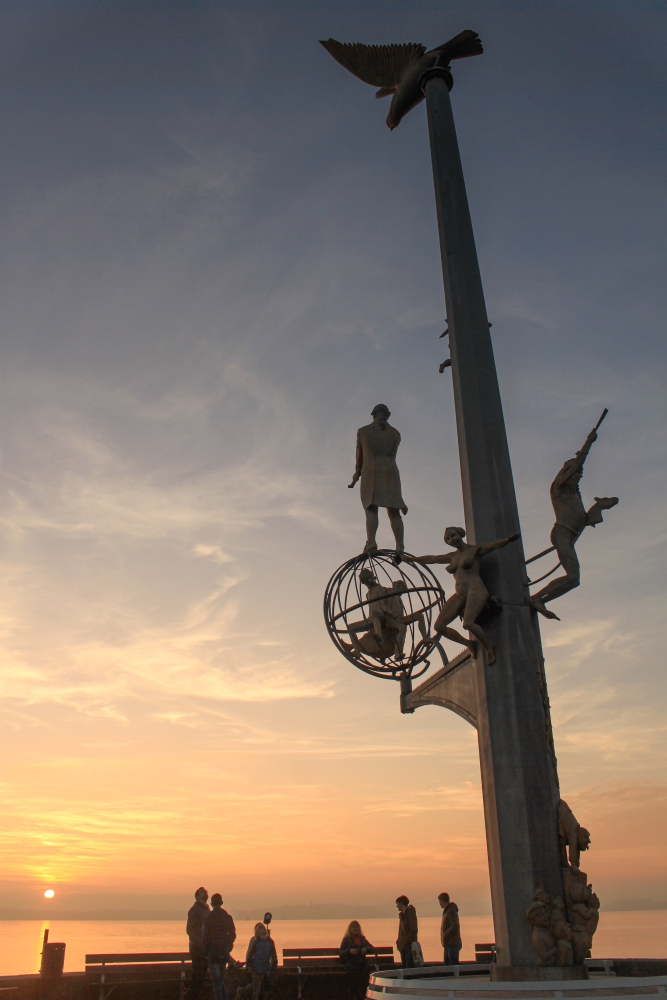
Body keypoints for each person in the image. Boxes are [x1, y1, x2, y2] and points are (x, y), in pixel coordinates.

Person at [528, 424, 618, 619]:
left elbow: (583, 520)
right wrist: (588, 442)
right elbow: (578, 463)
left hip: (568, 536)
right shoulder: (558, 489)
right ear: (568, 472)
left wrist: (601, 506)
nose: (579, 475)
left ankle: (539, 599)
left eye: (580, 474)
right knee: (573, 577)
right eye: (576, 473)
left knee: (574, 580)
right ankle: (536, 598)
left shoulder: (574, 494)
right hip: (562, 533)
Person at [410, 526, 520, 664]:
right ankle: (468, 644)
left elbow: (493, 545)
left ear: (460, 534)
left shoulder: (475, 550)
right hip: (460, 594)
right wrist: (412, 560)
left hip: (475, 589)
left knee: (468, 622)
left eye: (453, 536)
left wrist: (509, 539)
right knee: (439, 626)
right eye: (448, 539)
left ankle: (488, 648)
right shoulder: (452, 556)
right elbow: (433, 558)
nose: (451, 540)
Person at [348, 404, 408, 555]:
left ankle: (371, 541)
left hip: (371, 471)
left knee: (371, 509)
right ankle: (400, 545)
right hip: (391, 471)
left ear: (373, 414)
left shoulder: (363, 431)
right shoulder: (395, 433)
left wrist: (357, 473)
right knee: (394, 511)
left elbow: (359, 457)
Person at [203, 893, 237, 1000]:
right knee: (220, 981)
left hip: (213, 954)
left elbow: (204, 937)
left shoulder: (208, 918)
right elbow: (232, 934)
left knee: (217, 983)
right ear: (221, 903)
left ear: (212, 904)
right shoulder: (227, 917)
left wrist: (207, 951)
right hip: (224, 952)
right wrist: (228, 947)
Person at [236, 923, 277, 1000]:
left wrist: (274, 965)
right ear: (257, 932)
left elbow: (274, 955)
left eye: (263, 928)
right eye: (260, 928)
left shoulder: (270, 942)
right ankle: (243, 991)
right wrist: (248, 965)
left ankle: (242, 990)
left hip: (266, 967)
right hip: (256, 967)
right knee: (256, 989)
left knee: (265, 987)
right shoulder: (256, 942)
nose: (263, 929)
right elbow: (251, 954)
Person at [186, 887, 210, 1000]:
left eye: (205, 892)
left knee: (202, 977)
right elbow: (190, 930)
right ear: (197, 896)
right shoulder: (194, 910)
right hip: (197, 949)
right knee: (197, 976)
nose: (204, 893)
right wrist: (199, 943)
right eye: (201, 892)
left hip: (206, 949)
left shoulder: (207, 910)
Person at [438, 893, 462, 966]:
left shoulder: (450, 911)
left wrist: (445, 935)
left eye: (439, 901)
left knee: (452, 966)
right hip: (448, 944)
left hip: (452, 944)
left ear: (442, 900)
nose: (439, 903)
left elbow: (455, 926)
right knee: (448, 967)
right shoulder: (447, 911)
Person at [395, 895, 418, 968]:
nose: (397, 906)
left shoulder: (410, 914)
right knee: (405, 965)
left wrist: (406, 941)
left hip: (408, 945)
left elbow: (413, 929)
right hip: (403, 946)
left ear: (401, 903)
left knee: (409, 965)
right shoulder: (402, 916)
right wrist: (399, 942)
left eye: (397, 903)